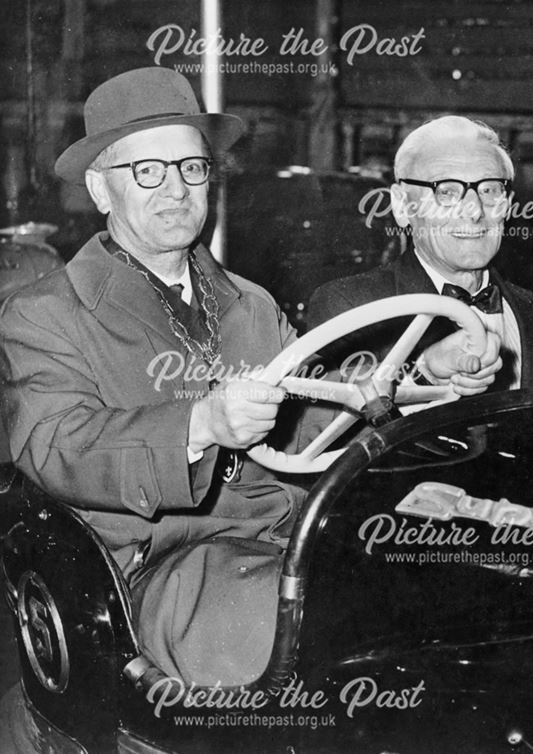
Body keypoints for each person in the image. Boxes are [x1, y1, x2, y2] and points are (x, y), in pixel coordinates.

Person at [0, 68, 496, 687]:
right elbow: (57, 446)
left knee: (445, 594)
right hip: (155, 572)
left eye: (191, 167)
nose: (176, 189)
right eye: (147, 171)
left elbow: (304, 416)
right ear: (101, 189)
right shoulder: (45, 313)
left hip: (289, 538)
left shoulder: (250, 304)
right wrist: (200, 423)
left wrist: (417, 371)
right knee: (336, 634)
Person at [307, 115, 533, 389]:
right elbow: (336, 423)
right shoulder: (351, 308)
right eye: (446, 192)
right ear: (401, 207)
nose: (474, 211)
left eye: (490, 189)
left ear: (506, 205)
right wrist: (423, 375)